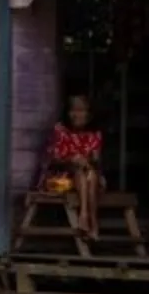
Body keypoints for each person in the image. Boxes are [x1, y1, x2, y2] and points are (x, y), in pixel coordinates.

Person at [41, 94, 105, 239]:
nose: (77, 115)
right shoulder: (60, 130)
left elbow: (96, 159)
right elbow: (54, 159)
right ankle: (90, 221)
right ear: (67, 112)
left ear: (89, 114)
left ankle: (86, 219)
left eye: (82, 111)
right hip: (60, 178)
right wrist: (71, 159)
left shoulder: (95, 133)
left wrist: (87, 160)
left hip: (89, 177)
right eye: (73, 110)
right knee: (83, 173)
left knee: (89, 174)